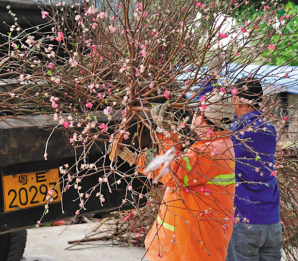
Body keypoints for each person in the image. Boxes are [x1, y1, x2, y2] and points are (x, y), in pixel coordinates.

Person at [117, 104, 236, 260]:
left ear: (200, 117)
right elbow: (178, 167)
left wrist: (166, 134)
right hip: (187, 246)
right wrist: (136, 160)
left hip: (187, 249)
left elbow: (172, 173)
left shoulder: (210, 151)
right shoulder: (220, 146)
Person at [226, 77, 282, 261]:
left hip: (246, 220)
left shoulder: (235, 133)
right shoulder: (269, 129)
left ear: (238, 100)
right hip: (271, 223)